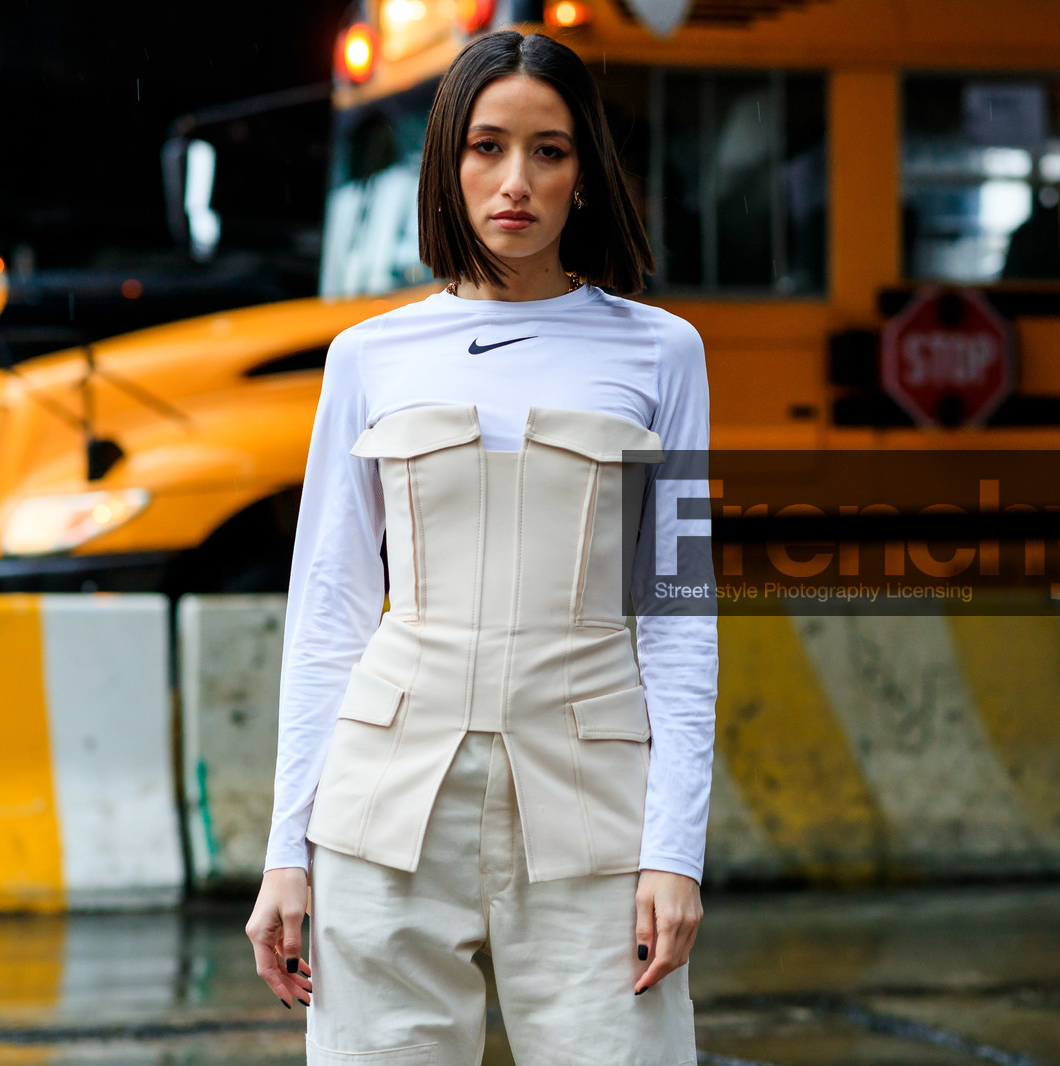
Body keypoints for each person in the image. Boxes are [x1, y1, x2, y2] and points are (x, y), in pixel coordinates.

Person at [244, 28, 716, 1066]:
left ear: (585, 174)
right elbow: (328, 610)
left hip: (593, 811)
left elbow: (679, 624)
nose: (516, 181)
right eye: (487, 146)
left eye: (549, 151)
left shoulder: (661, 352)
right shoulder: (368, 358)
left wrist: (673, 854)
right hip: (385, 806)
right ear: (446, 163)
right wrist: (288, 852)